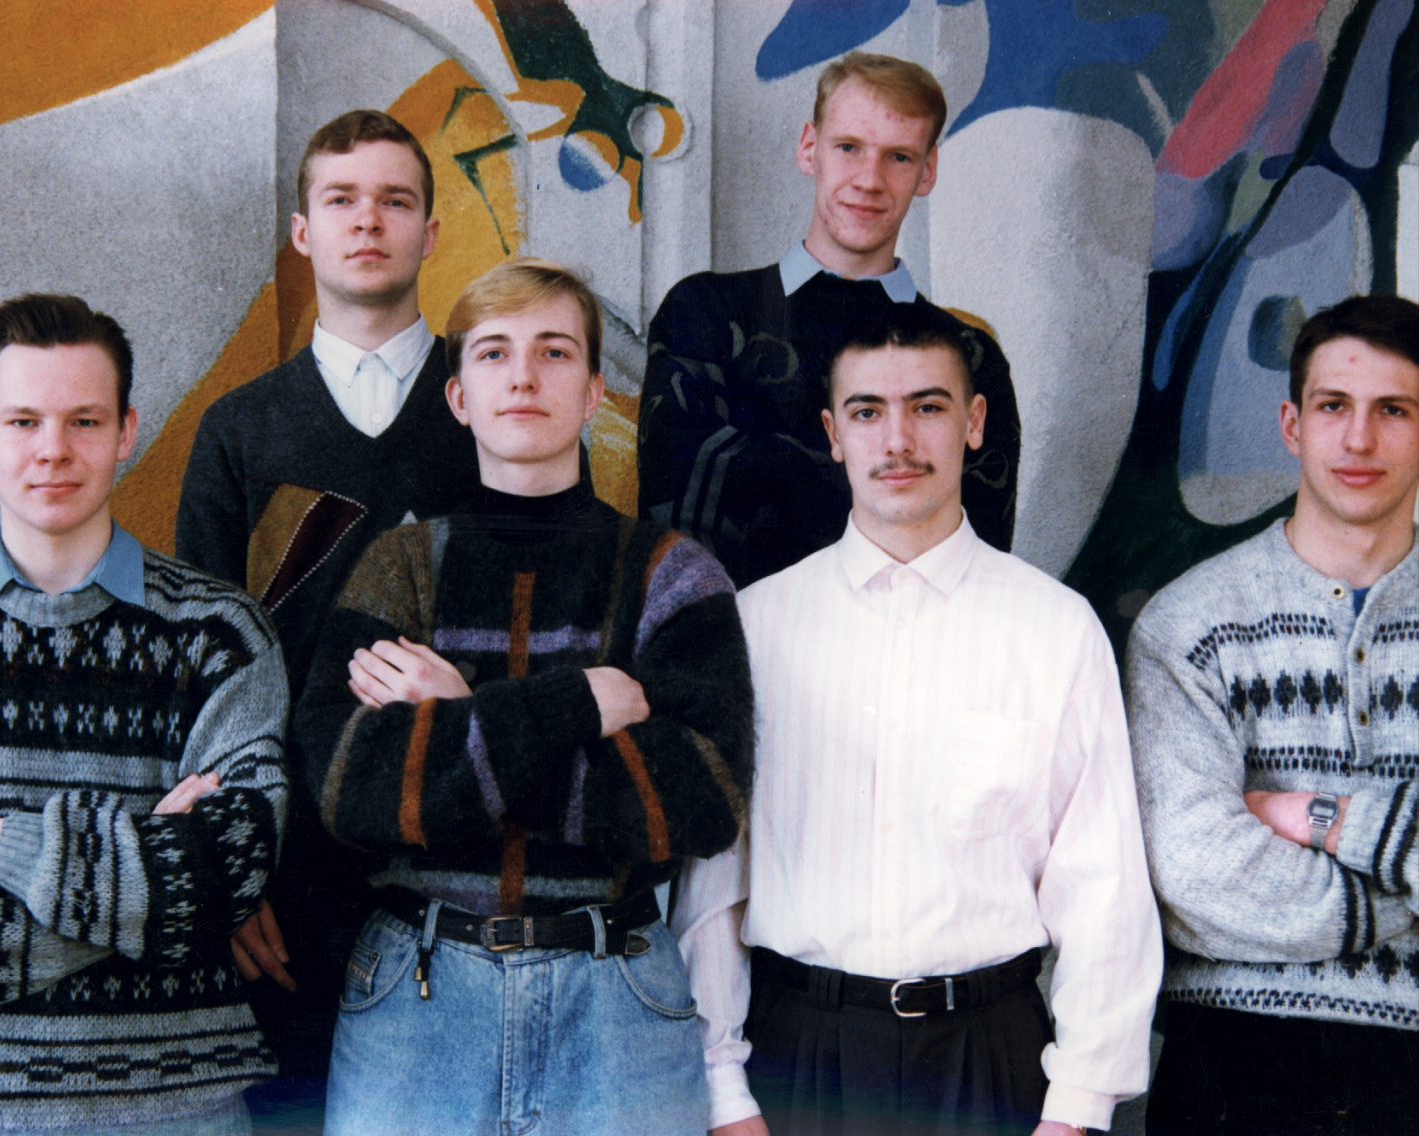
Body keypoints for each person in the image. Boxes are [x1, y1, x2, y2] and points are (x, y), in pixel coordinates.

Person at [675, 303, 1161, 1136]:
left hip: (991, 1059)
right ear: (833, 433)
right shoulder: (756, 627)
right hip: (797, 1058)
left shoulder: (1054, 629)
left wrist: (1079, 1104)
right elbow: (715, 886)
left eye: (927, 406)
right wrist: (723, 1087)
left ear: (974, 422)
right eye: (868, 412)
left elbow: (1103, 886)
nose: (897, 440)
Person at [294, 259, 755, 1134]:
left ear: (594, 393)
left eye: (554, 351)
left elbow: (700, 803)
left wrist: (459, 720)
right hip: (419, 993)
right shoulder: (398, 566)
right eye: (494, 353)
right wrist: (573, 706)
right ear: (459, 396)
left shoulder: (673, 574)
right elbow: (350, 790)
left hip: (615, 990)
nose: (523, 376)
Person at [0, 294, 289, 1135]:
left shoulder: (221, 637)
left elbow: (227, 871)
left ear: (126, 431)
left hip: (173, 1107)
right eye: (24, 421)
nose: (54, 450)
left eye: (84, 421)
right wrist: (147, 872)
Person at [174, 109, 480, 1100]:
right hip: (285, 883)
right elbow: (201, 679)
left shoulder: (494, 413)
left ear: (431, 230)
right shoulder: (240, 432)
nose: (369, 221)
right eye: (342, 200)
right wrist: (228, 873)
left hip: (460, 871)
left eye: (395, 200)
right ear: (303, 231)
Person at [1127, 294, 1419, 1135]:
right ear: (1292, 426)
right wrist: (1401, 885)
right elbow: (1195, 875)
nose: (1358, 439)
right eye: (1333, 406)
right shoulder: (1190, 625)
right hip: (1235, 1066)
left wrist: (1323, 818)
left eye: (1393, 410)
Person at [637, 51, 1020, 588]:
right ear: (808, 148)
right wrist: (895, 489)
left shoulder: (970, 355)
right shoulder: (705, 311)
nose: (869, 180)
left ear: (928, 170)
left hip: (914, 636)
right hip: (736, 635)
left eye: (899, 157)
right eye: (848, 148)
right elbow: (679, 523)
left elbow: (972, 559)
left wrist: (774, 468)